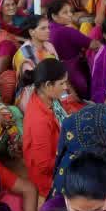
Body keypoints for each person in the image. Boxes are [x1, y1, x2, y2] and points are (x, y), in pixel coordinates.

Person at [23, 59, 75, 198]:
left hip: (62, 152)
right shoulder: (40, 120)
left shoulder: (47, 97)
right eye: (62, 83)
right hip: (49, 180)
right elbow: (45, 165)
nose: (65, 87)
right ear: (48, 85)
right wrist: (75, 155)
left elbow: (66, 109)